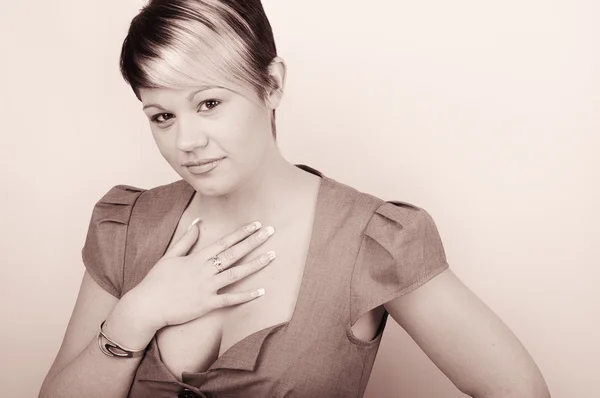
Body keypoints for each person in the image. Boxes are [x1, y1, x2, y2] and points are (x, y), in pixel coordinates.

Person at [39, 1, 551, 397]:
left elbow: (518, 389)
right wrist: (136, 315)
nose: (186, 141)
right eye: (161, 116)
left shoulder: (372, 238)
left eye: (209, 103)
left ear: (272, 84)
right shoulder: (127, 225)